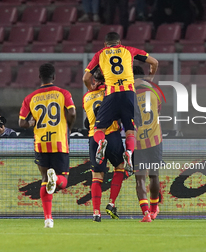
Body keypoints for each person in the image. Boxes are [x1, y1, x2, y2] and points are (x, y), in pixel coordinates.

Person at [83, 32, 159, 176]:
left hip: (111, 94)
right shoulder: (129, 50)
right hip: (129, 94)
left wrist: (91, 88)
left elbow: (86, 77)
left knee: (99, 128)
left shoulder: (100, 54)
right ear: (120, 42)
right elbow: (154, 62)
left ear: (105, 45)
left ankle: (101, 143)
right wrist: (149, 78)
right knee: (131, 130)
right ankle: (129, 152)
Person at [19, 63, 76, 228]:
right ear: (54, 77)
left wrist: (31, 122)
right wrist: (68, 128)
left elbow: (22, 123)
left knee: (44, 179)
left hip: (41, 142)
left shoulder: (30, 98)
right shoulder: (63, 93)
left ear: (39, 78)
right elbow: (72, 112)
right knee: (63, 179)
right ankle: (56, 178)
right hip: (59, 140)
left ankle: (48, 219)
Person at [83, 68, 126, 222]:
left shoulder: (86, 97)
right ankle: (111, 202)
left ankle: (96, 212)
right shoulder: (112, 94)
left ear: (94, 80)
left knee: (97, 176)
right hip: (112, 133)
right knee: (120, 167)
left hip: (93, 136)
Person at [133, 66, 162, 222]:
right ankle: (153, 210)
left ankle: (145, 214)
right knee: (154, 175)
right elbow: (158, 110)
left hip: (137, 141)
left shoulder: (129, 95)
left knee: (140, 178)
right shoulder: (154, 91)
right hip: (154, 138)